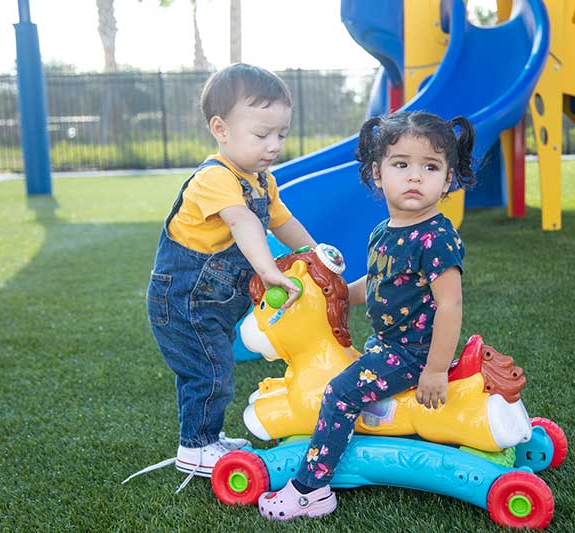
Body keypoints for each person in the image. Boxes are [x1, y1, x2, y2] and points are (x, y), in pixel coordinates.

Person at [257, 111, 475, 520]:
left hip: (411, 354)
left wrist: (435, 370)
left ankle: (311, 488)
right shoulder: (384, 231)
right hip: (386, 345)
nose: (414, 177)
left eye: (430, 167)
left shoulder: (437, 237)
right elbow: (375, 286)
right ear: (378, 174)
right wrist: (335, 295)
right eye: (401, 164)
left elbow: (450, 305)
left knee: (340, 393)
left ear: (447, 180)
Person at [125, 64, 316, 492]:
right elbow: (243, 222)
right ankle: (195, 449)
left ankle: (206, 437)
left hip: (212, 300)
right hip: (183, 299)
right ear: (221, 129)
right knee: (209, 371)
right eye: (262, 134)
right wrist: (268, 270)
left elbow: (284, 221)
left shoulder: (262, 180)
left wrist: (313, 255)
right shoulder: (214, 178)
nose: (274, 145)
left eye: (281, 134)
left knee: (212, 366)